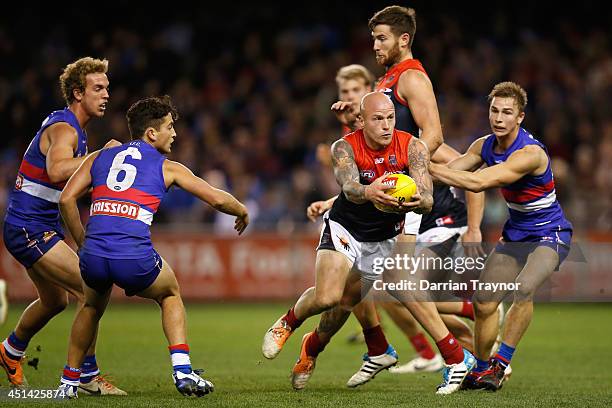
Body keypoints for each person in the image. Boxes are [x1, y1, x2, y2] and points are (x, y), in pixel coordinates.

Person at [263, 92, 474, 395]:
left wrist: (418, 200)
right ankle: (288, 322)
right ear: (361, 121)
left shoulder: (412, 147)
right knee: (327, 297)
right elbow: (349, 187)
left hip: (384, 237)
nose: (387, 125)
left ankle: (313, 349)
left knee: (350, 301)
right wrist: (369, 192)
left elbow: (427, 197)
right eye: (378, 119)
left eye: (390, 117)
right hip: (346, 227)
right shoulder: (344, 147)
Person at [55, 95, 249, 398]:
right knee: (170, 293)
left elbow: (66, 199)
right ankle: (183, 371)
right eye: (170, 127)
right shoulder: (167, 167)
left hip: (94, 254)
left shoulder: (98, 156)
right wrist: (242, 211)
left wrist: (82, 243)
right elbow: (216, 198)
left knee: (91, 305)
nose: (175, 133)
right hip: (132, 255)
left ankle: (68, 383)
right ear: (151, 133)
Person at [429, 81, 573, 390]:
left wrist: (427, 167)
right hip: (516, 234)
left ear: (520, 117)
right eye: (494, 110)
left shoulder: (530, 153)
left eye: (507, 112)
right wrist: (408, 176)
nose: (498, 117)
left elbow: (479, 182)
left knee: (523, 289)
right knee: (483, 302)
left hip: (550, 233)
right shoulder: (484, 145)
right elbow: (453, 170)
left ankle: (500, 364)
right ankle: (481, 369)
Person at [1, 57, 125, 395]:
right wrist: (101, 156)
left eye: (107, 89)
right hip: (29, 227)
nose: (105, 95)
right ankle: (87, 375)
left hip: (37, 226)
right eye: (98, 88)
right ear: (76, 93)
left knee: (56, 301)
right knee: (93, 287)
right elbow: (57, 171)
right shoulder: (65, 129)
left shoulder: (75, 131)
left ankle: (10, 351)